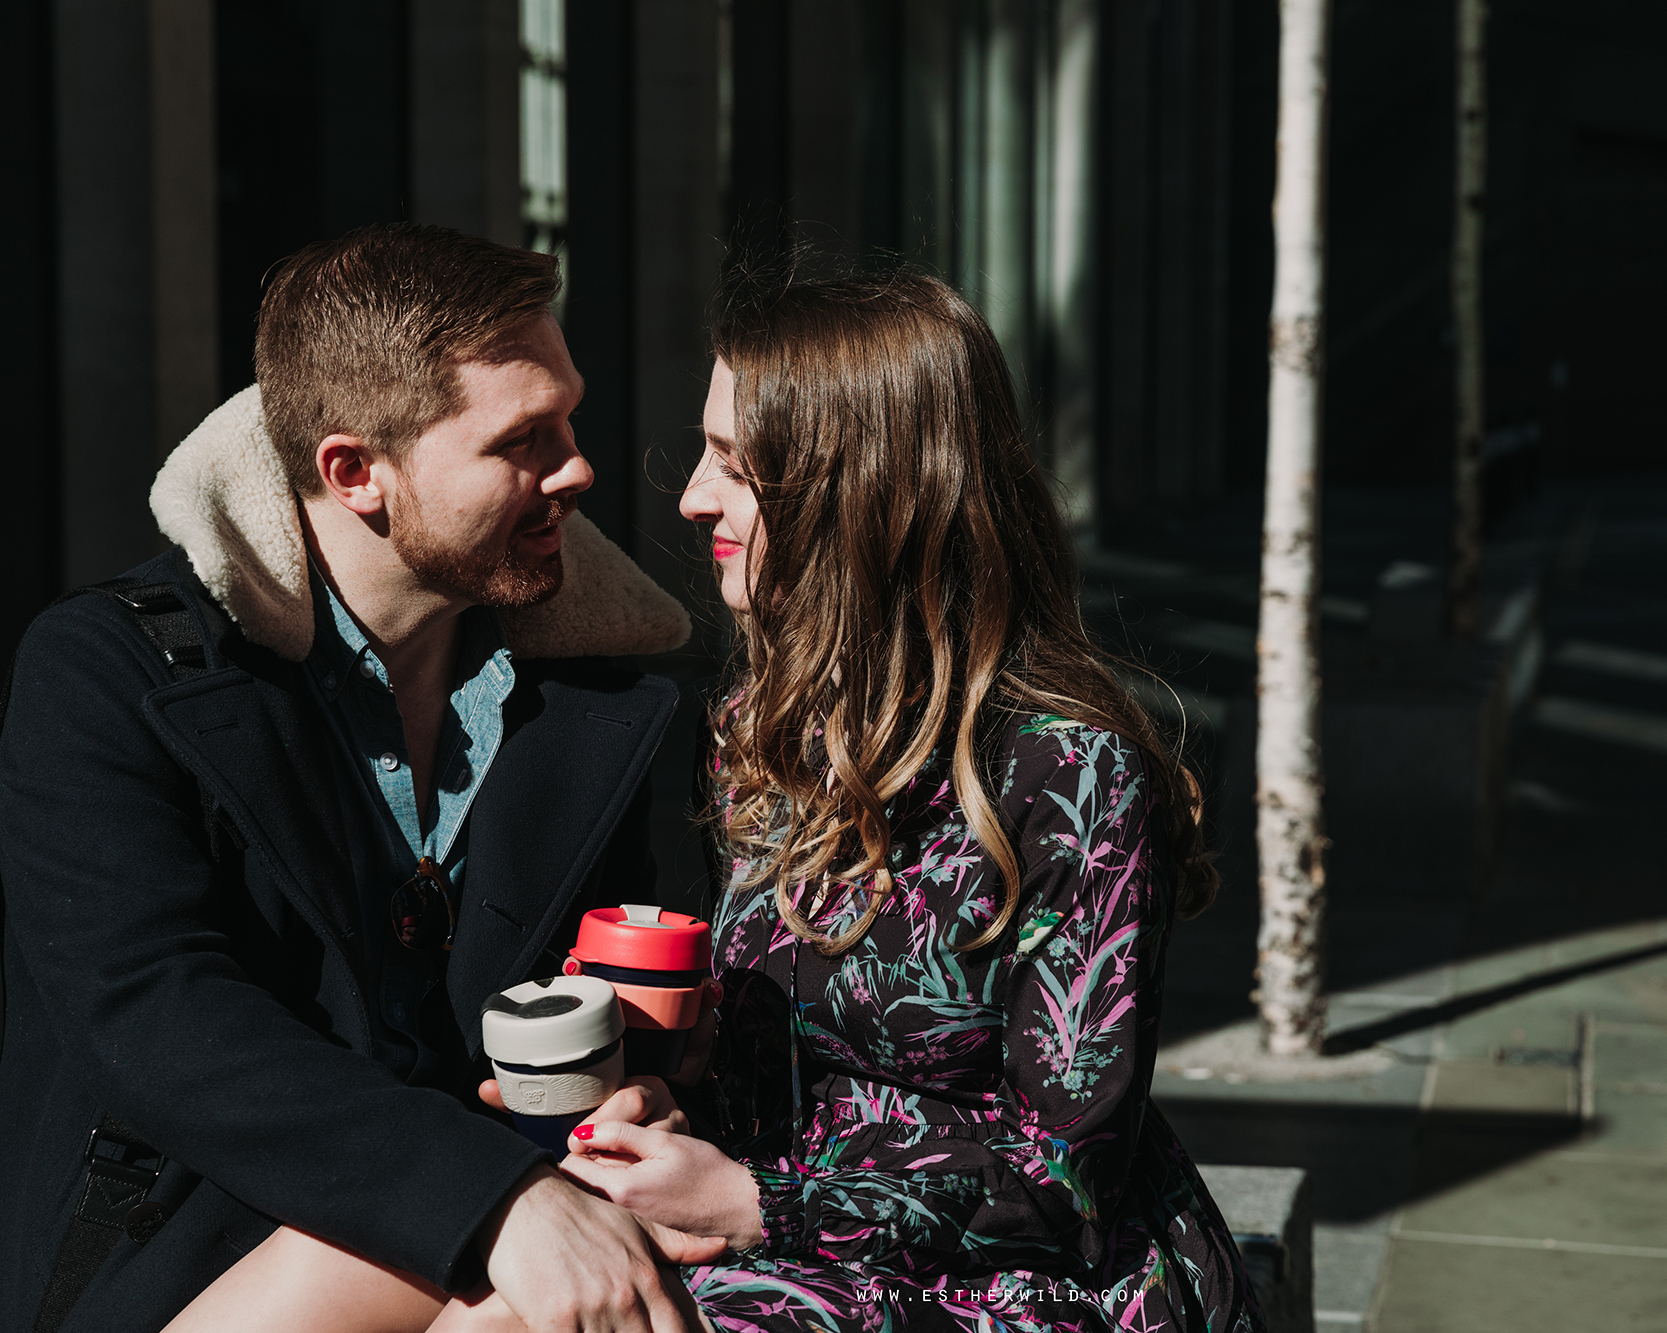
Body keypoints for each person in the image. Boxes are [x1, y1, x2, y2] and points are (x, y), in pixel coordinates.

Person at [485, 269, 1264, 1333]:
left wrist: (759, 1197)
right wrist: (667, 1107)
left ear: (861, 495)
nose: (690, 499)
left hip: (1030, 1289)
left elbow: (1067, 1181)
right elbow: (791, 1067)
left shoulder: (1068, 775)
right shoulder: (766, 724)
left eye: (735, 467)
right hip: (793, 1249)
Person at [0, 223, 715, 1333]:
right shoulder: (110, 671)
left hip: (505, 1250)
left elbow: (597, 994)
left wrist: (638, 1090)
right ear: (354, 472)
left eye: (568, 416)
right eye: (521, 438)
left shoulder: (584, 698)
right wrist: (495, 1199)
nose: (576, 466)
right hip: (192, 1263)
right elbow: (157, 1014)